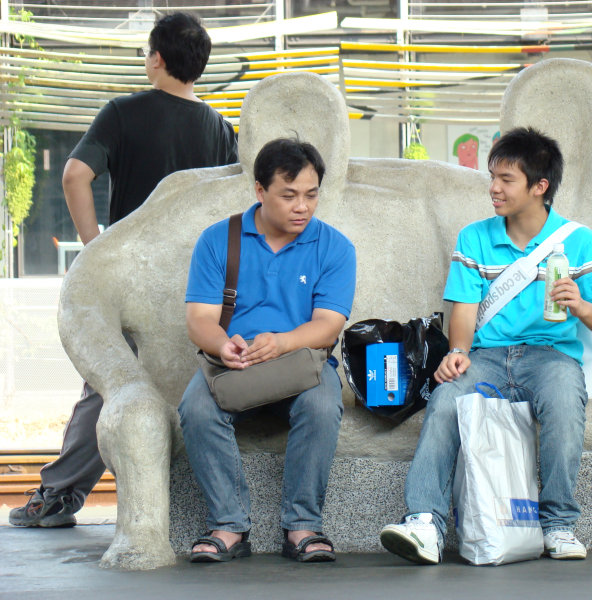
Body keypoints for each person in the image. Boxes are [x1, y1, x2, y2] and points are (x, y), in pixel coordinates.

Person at [10, 12, 238, 528]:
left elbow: (73, 175)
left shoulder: (121, 112)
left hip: (135, 279)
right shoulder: (222, 130)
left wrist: (96, 249)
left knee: (112, 383)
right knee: (194, 386)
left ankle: (59, 495)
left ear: (156, 58)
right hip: (202, 287)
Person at [380, 127, 592, 563]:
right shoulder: (475, 237)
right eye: (493, 176)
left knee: (566, 403)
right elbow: (465, 310)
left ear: (539, 186)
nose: (493, 188)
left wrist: (581, 305)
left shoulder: (580, 241)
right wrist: (457, 351)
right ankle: (424, 524)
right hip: (487, 358)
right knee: (447, 398)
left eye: (506, 179)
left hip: (551, 358)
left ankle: (559, 525)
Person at [178, 138, 356, 563]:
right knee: (196, 409)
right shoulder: (219, 239)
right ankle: (229, 526)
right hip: (234, 364)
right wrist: (224, 345)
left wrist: (282, 342)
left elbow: (329, 324)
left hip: (301, 364)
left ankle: (302, 527)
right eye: (289, 195)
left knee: (322, 404)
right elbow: (198, 319)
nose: (303, 207)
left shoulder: (335, 247)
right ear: (260, 191)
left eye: (311, 195)